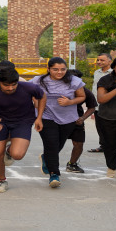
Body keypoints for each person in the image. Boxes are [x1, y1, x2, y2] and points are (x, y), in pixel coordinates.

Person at [0, 67, 46, 193]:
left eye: (14, 85)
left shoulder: (28, 87)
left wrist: (39, 117)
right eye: (6, 85)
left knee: (17, 155)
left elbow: (42, 96)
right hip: (0, 123)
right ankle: (1, 180)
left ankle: (9, 152)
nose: (11, 88)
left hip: (23, 122)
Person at [32, 57, 86, 188]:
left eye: (62, 69)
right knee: (51, 143)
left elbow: (82, 96)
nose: (59, 72)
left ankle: (46, 158)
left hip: (67, 118)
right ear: (49, 69)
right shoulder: (39, 80)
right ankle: (54, 174)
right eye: (55, 69)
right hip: (46, 116)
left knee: (57, 145)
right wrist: (35, 103)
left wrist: (70, 102)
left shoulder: (74, 81)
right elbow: (31, 93)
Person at [65, 69, 98, 173]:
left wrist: (82, 118)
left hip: (76, 119)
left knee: (79, 143)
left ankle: (72, 164)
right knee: (54, 143)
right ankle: (49, 162)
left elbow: (92, 107)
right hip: (58, 119)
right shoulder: (58, 89)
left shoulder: (85, 91)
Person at [88, 53, 113, 153]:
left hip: (109, 105)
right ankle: (103, 145)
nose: (99, 62)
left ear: (109, 61)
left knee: (111, 127)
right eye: (98, 60)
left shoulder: (113, 73)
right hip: (97, 105)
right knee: (100, 126)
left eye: (102, 60)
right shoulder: (96, 72)